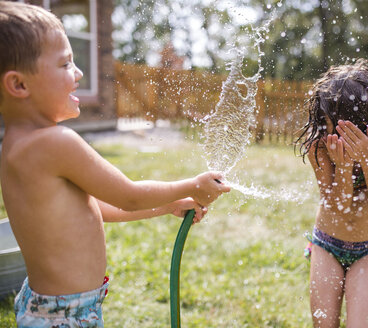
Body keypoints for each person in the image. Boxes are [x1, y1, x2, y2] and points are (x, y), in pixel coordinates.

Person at [0, 2, 230, 327]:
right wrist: (192, 185)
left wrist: (168, 205)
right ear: (19, 85)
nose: (79, 73)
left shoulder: (15, 146)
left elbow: (96, 207)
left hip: (45, 307)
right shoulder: (56, 143)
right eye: (66, 64)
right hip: (67, 317)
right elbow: (129, 195)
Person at [296, 59, 368, 328]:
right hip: (327, 245)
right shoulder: (319, 143)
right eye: (339, 128)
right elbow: (338, 206)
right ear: (325, 119)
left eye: (356, 128)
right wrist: (343, 166)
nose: (346, 137)